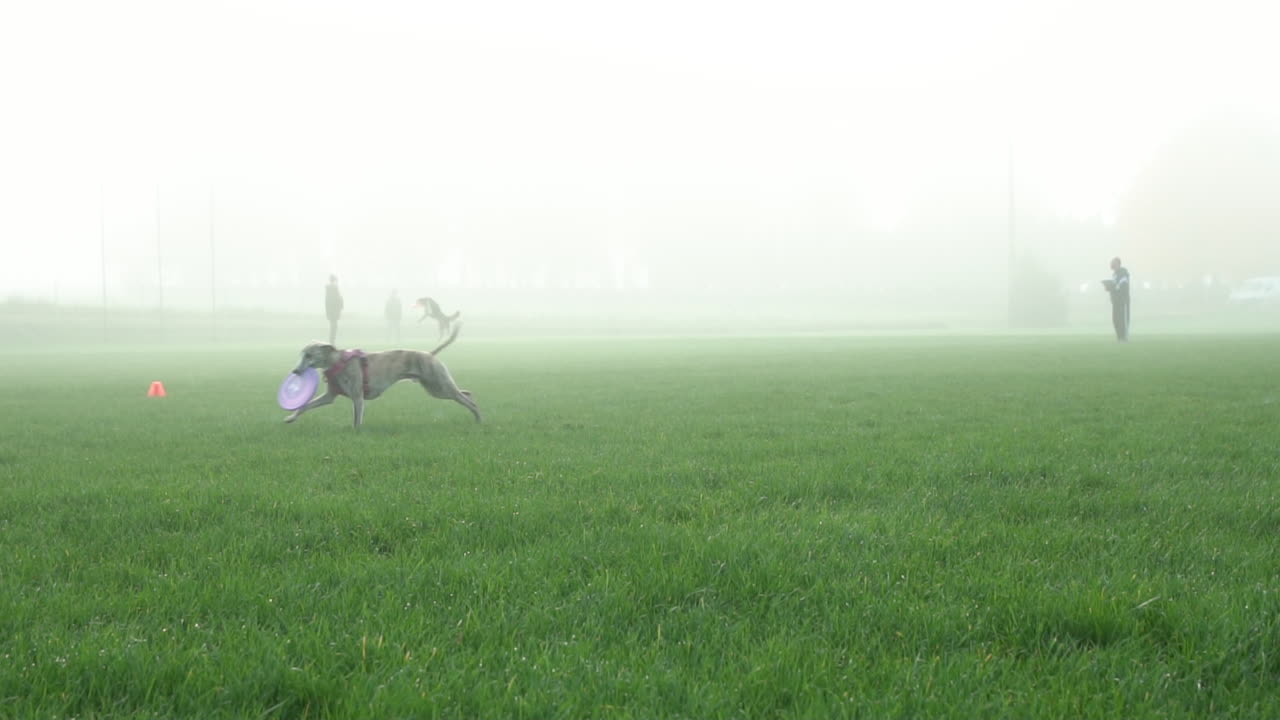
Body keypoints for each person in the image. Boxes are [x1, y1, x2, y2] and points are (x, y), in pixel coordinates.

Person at [1105, 257, 1130, 341]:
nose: (1111, 264)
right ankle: (1119, 337)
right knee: (1115, 319)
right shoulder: (1114, 274)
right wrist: (1108, 287)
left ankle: (1124, 337)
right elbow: (1115, 286)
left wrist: (1112, 287)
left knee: (1122, 319)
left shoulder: (1123, 273)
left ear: (1118, 264)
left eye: (1113, 263)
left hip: (1122, 301)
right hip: (1115, 301)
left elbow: (1121, 286)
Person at [325, 274, 344, 345]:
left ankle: (332, 341)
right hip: (334, 311)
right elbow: (337, 299)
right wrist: (340, 305)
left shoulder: (330, 289)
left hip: (332, 311)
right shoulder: (334, 288)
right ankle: (332, 342)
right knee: (334, 327)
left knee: (333, 326)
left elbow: (328, 301)